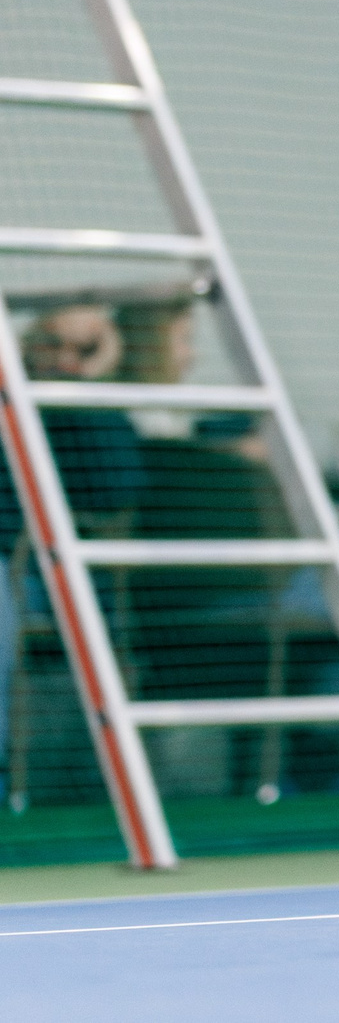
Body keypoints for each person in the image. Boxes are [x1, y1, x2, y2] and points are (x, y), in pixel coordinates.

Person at [2, 304, 148, 796]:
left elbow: (115, 492)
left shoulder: (77, 412)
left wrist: (87, 386)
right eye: (53, 344)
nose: (65, 359)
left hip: (23, 571)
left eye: (83, 349)